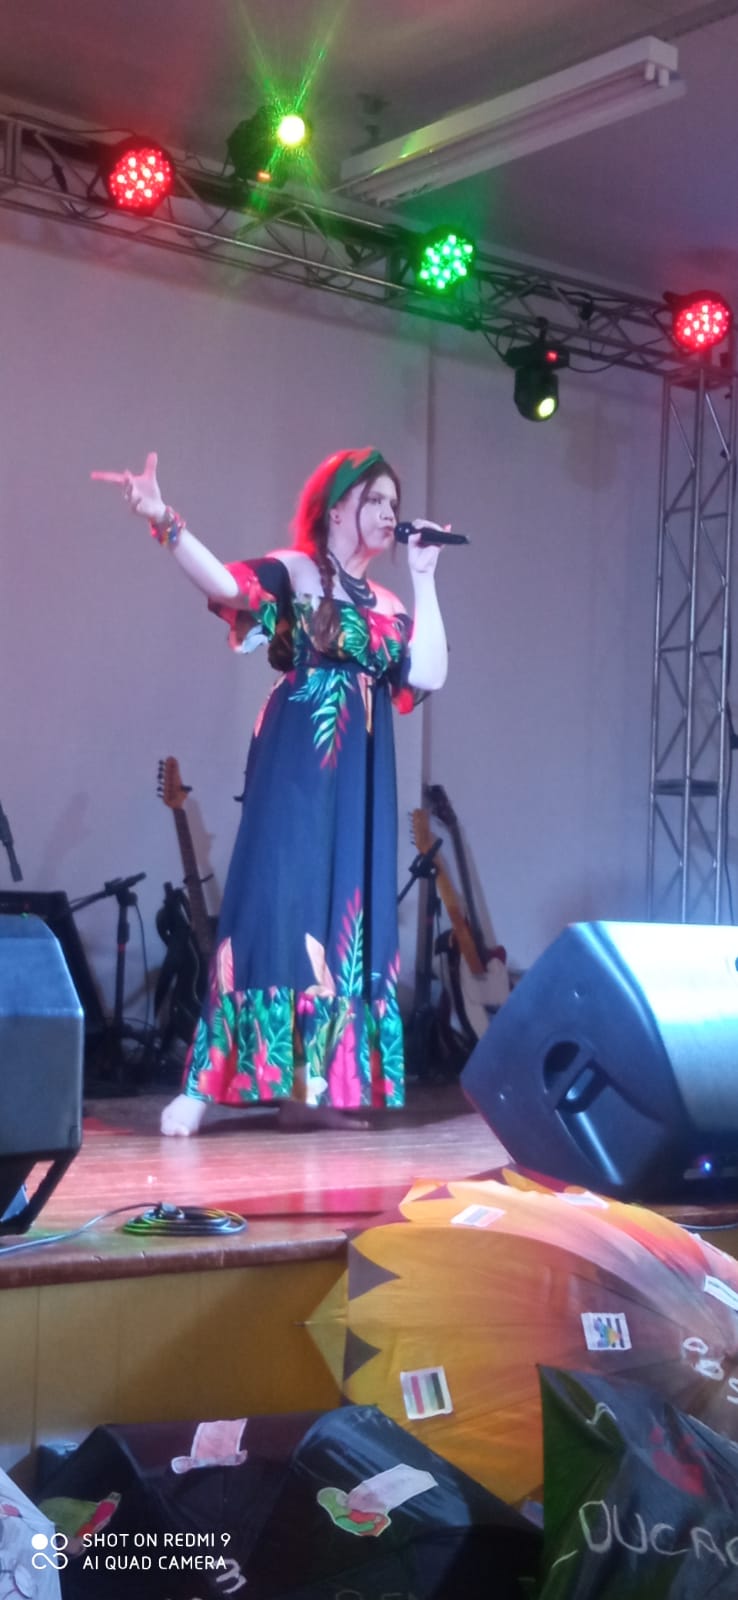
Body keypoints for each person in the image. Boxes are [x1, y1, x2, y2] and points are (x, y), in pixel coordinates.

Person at [92, 447, 448, 1134]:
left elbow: (427, 673)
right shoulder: (298, 571)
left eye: (393, 504)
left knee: (345, 927)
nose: (388, 514)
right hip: (298, 764)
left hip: (363, 782)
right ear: (337, 508)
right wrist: (163, 518)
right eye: (375, 500)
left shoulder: (391, 603)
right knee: (271, 908)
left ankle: (308, 1091)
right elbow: (225, 584)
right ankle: (205, 1082)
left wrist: (426, 578)